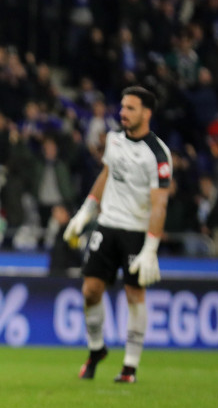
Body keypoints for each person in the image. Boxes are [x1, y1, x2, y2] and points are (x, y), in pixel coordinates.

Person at [63, 86, 171, 384]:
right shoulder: (113, 139)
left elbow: (160, 204)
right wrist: (85, 212)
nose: (123, 112)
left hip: (137, 231)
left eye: (130, 108)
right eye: (122, 107)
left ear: (146, 113)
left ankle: (130, 367)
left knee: (134, 294)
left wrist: (151, 248)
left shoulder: (158, 155)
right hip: (108, 225)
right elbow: (106, 175)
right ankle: (97, 349)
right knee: (90, 291)